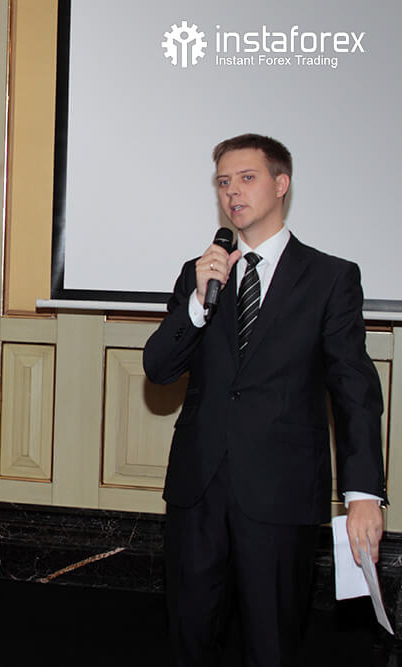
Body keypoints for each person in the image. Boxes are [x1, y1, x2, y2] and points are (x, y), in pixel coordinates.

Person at [143, 133, 386, 666]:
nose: (233, 192)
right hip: (198, 489)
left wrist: (364, 493)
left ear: (281, 184)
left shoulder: (330, 277)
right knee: (189, 637)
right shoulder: (200, 274)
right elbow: (159, 368)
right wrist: (197, 305)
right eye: (223, 182)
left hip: (281, 491)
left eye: (246, 178)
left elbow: (354, 389)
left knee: (272, 642)